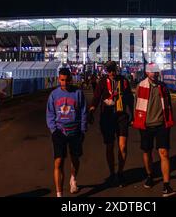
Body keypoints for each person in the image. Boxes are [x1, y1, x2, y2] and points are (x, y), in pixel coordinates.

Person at [133, 62, 176, 197]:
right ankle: (150, 175)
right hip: (145, 125)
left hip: (161, 125)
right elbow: (136, 104)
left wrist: (168, 120)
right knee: (147, 152)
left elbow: (168, 104)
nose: (154, 73)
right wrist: (137, 120)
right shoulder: (141, 86)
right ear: (147, 73)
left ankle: (166, 185)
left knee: (164, 153)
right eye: (151, 71)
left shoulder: (163, 87)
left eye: (156, 71)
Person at [89, 61, 134, 187]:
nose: (111, 73)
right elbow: (97, 97)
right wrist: (92, 108)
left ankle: (120, 173)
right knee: (109, 147)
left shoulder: (123, 81)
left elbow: (130, 98)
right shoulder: (102, 82)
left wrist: (133, 114)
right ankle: (112, 173)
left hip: (121, 117)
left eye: (113, 70)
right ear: (106, 71)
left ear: (116, 69)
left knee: (122, 147)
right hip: (107, 117)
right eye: (109, 70)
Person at [46, 68, 87, 197]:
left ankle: (73, 179)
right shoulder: (54, 95)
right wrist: (53, 130)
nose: (65, 83)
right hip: (59, 132)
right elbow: (50, 114)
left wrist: (82, 129)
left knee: (75, 159)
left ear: (71, 79)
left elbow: (83, 111)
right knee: (58, 162)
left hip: (75, 132)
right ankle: (59, 194)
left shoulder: (78, 93)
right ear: (59, 79)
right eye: (62, 80)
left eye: (67, 80)